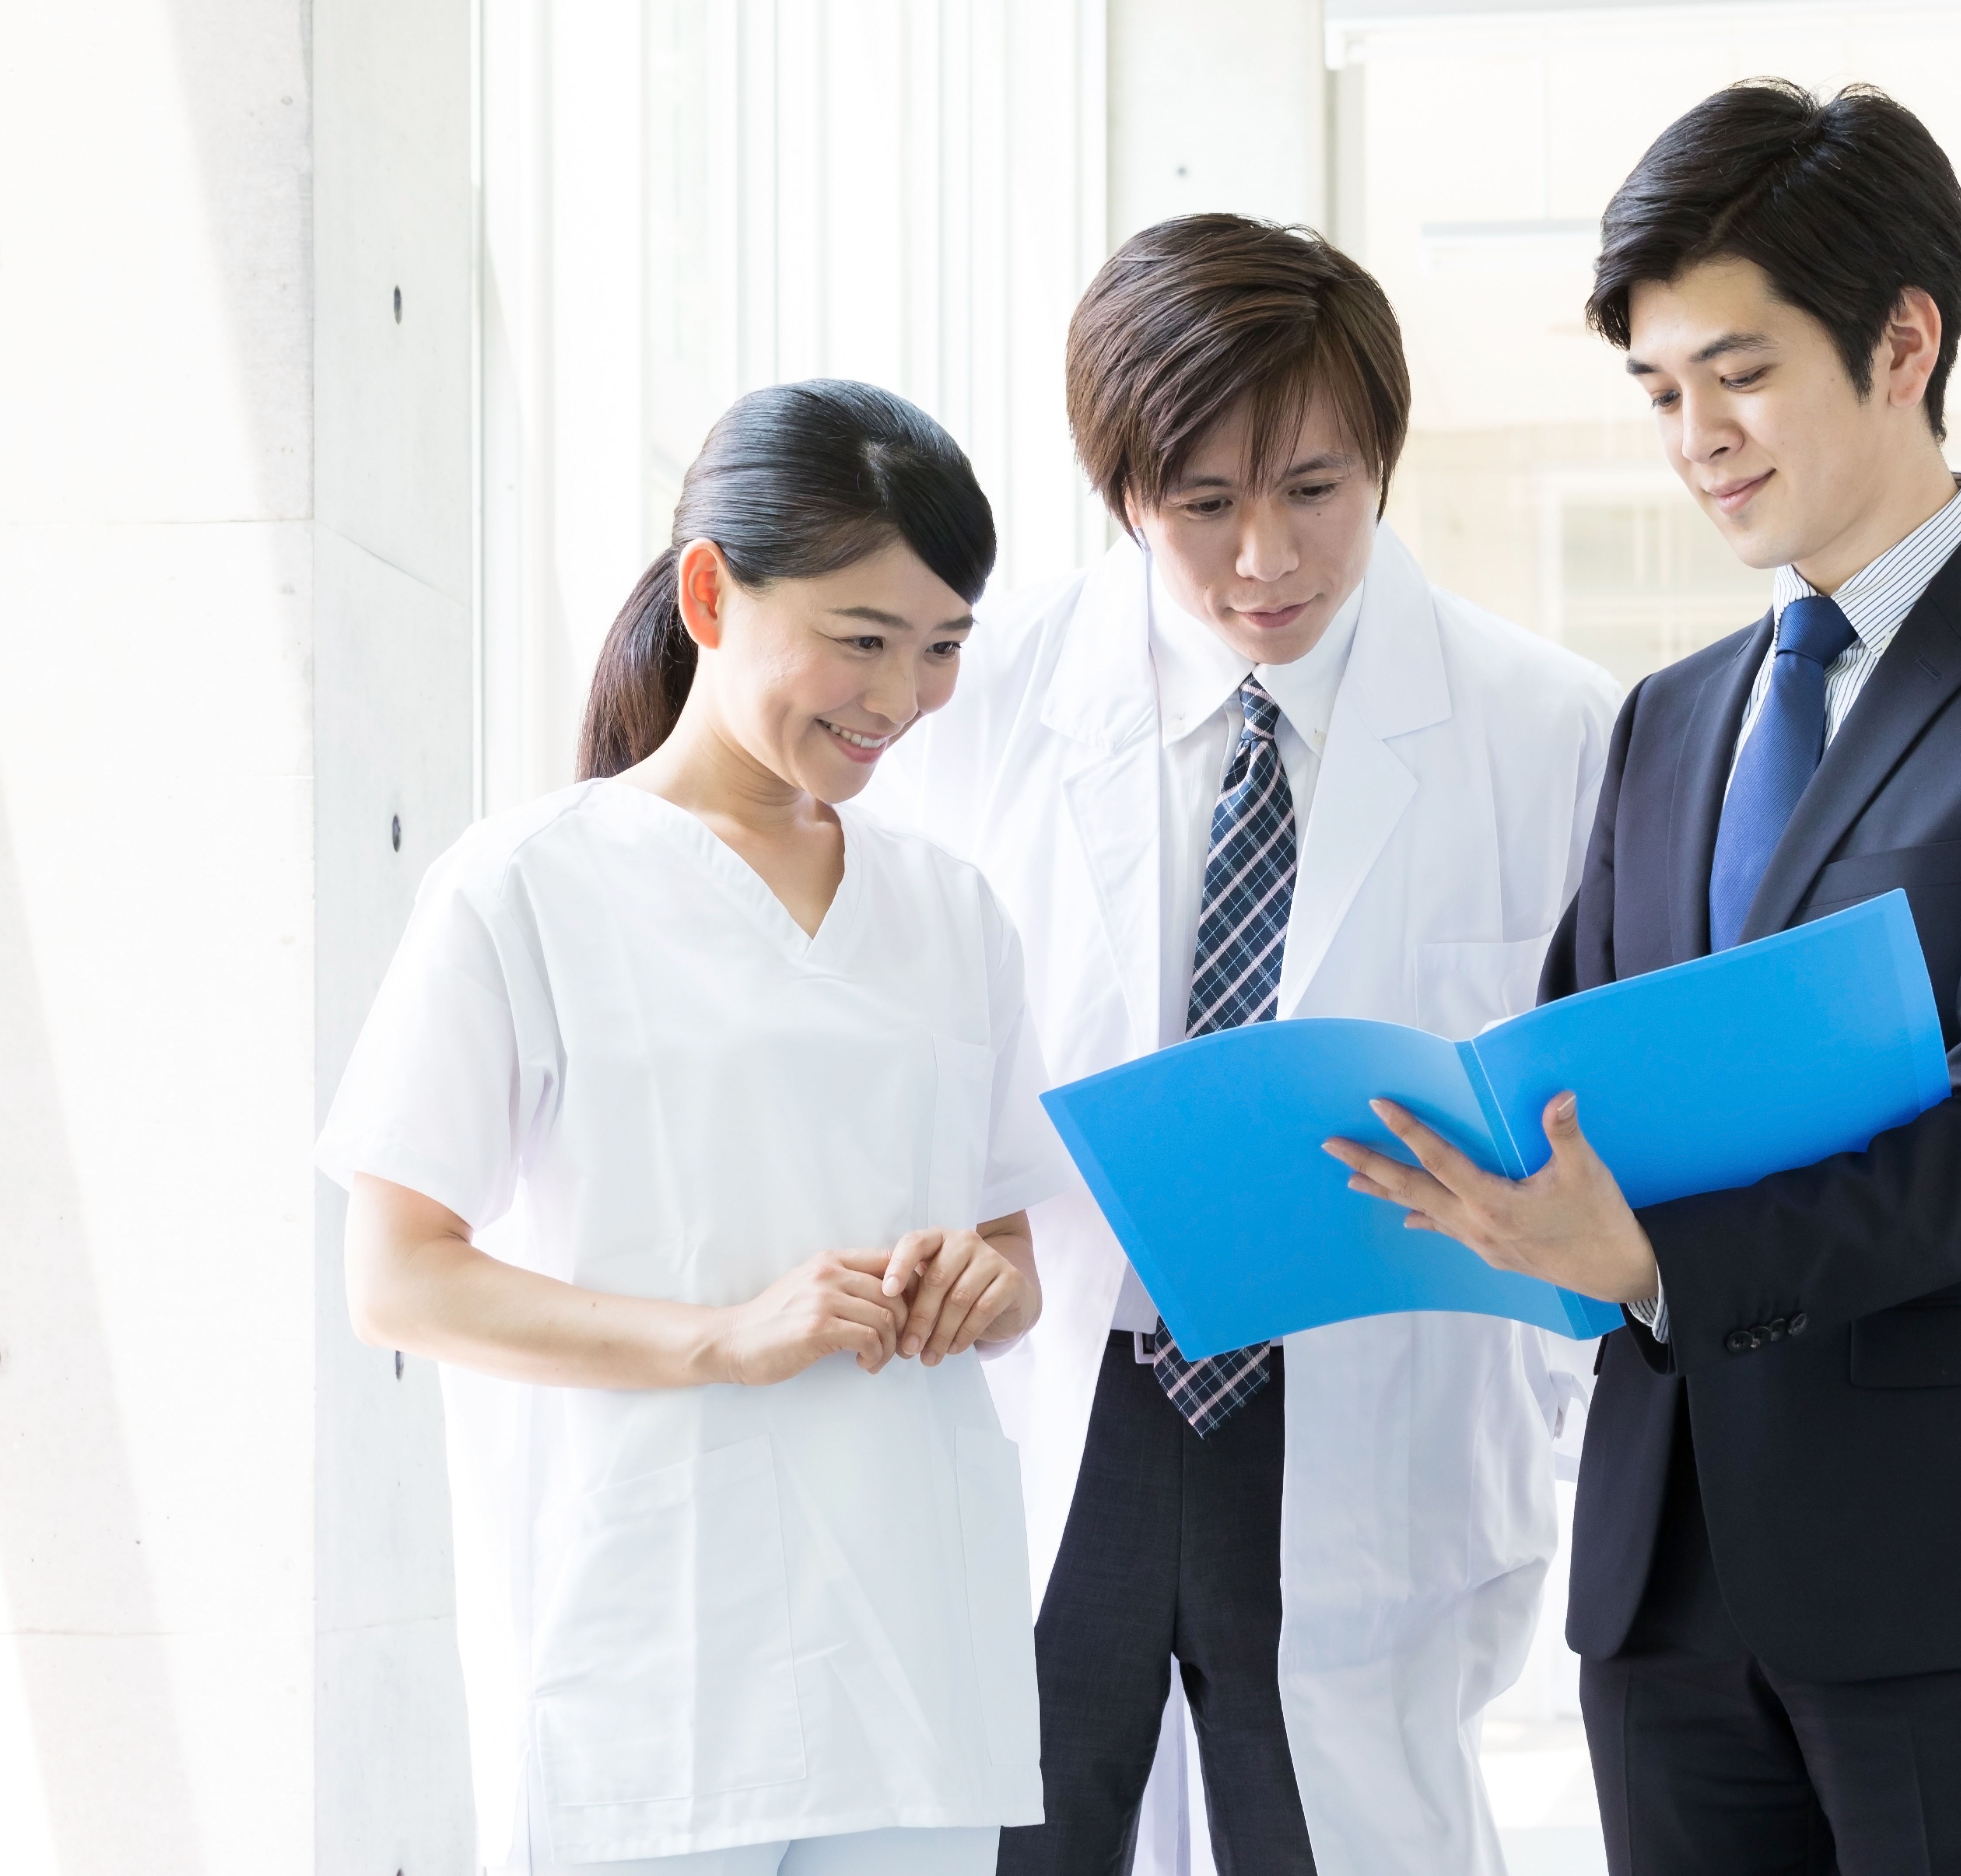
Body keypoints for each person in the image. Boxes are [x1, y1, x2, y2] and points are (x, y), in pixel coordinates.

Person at [1327, 81, 1961, 1874]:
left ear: (1905, 339)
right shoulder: (1666, 719)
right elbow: (1579, 1076)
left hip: (1959, 1589)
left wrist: (1655, 1252)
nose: (1697, 437)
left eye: (1739, 374)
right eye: (1661, 394)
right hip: (1665, 1594)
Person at [874, 215, 1619, 1873]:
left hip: (1367, 1406)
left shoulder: (1550, 728)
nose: (1266, 557)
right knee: (1032, 1830)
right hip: (1080, 1381)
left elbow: (1597, 1110)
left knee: (1328, 1827)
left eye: (1316, 490)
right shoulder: (980, 708)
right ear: (1125, 492)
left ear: (1384, 467)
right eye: (1203, 505)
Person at [319, 380, 1076, 1876]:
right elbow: (398, 1275)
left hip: (914, 1650)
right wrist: (721, 1338)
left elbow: (1010, 1235)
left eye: (939, 650)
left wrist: (995, 1284)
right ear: (711, 593)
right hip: (656, 1650)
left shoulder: (950, 908)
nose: (902, 697)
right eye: (862, 640)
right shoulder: (527, 886)